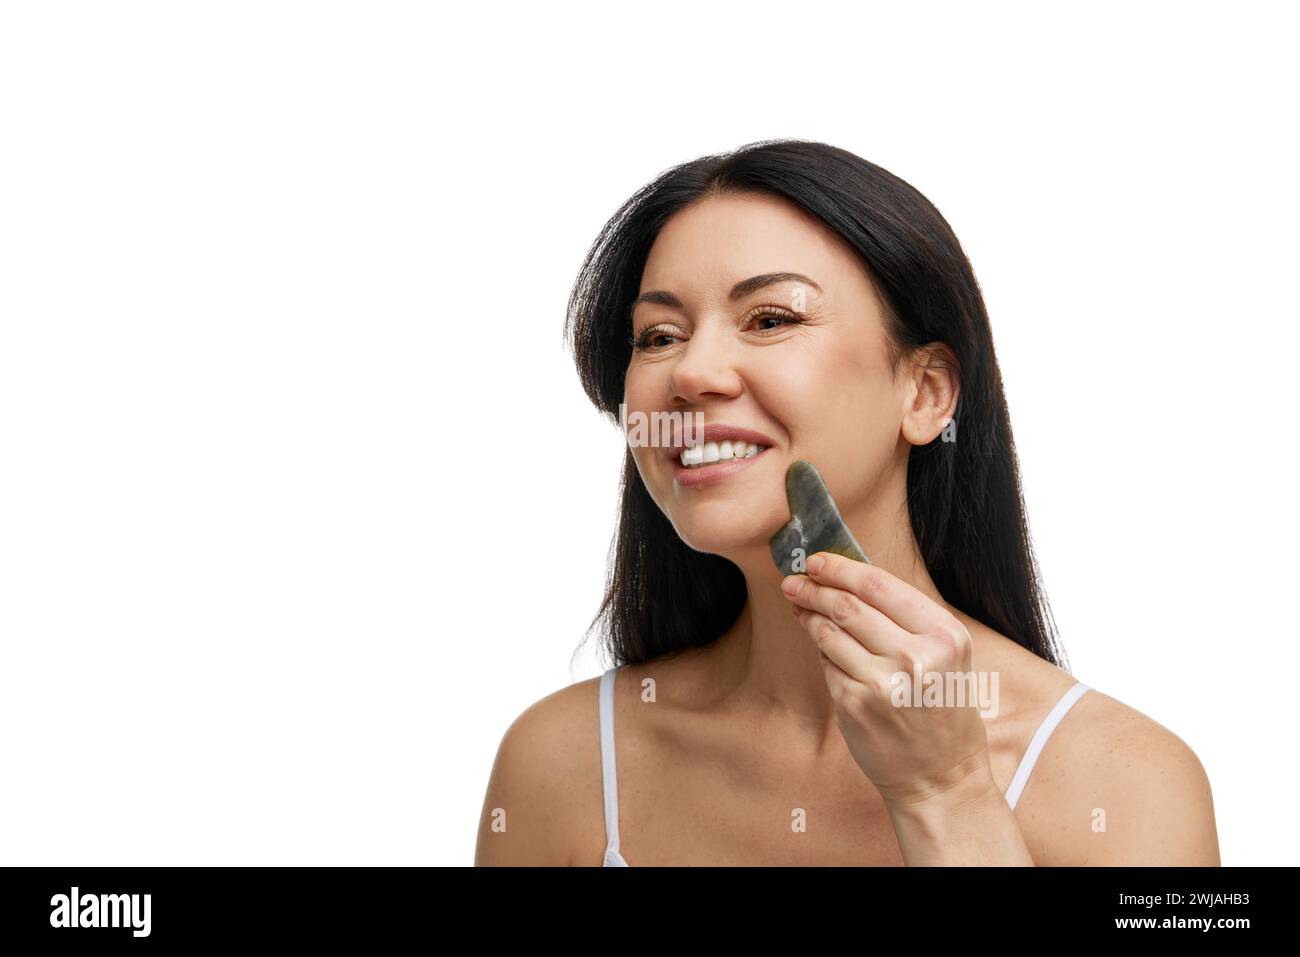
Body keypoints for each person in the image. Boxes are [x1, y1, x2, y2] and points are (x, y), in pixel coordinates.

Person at [475, 139, 1220, 866]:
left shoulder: (1129, 785)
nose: (694, 371)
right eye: (659, 334)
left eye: (771, 318)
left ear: (925, 392)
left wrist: (947, 794)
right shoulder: (562, 767)